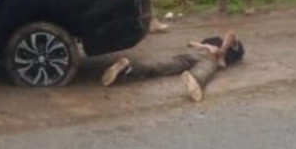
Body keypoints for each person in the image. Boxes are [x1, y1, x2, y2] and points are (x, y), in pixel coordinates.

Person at [101, 32, 244, 102]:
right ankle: (195, 80)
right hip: (209, 56)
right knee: (205, 70)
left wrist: (203, 45)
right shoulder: (231, 47)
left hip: (194, 52)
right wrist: (221, 51)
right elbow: (231, 34)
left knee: (162, 65)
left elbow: (190, 43)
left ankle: (129, 67)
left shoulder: (210, 41)